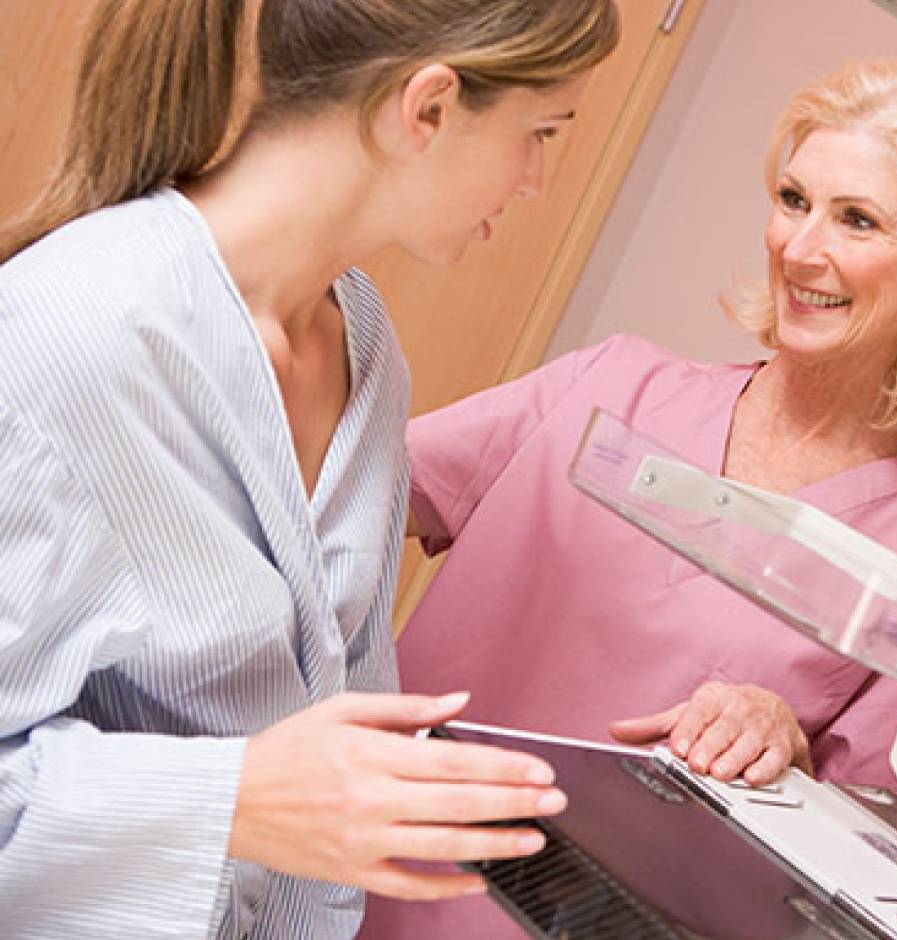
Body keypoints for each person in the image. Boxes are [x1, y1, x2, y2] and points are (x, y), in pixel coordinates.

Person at [0, 1, 618, 937]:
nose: (536, 179)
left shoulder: (362, 347)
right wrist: (230, 798)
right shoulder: (63, 338)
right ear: (429, 107)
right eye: (540, 132)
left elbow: (338, 716)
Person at [357, 58, 897, 937]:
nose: (801, 247)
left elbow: (849, 861)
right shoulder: (609, 386)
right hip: (341, 867)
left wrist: (788, 746)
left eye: (857, 220)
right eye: (792, 199)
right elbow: (334, 500)